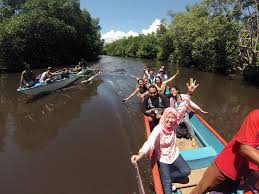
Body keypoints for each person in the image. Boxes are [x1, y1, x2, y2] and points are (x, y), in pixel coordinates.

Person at [131, 78, 199, 194]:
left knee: (186, 171)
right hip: (162, 158)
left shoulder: (174, 124)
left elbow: (182, 108)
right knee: (167, 189)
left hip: (174, 154)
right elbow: (150, 141)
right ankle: (166, 179)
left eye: (173, 117)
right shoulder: (158, 128)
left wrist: (189, 93)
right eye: (168, 117)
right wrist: (140, 154)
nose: (170, 120)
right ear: (164, 117)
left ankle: (167, 177)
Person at [190, 109, 259, 194]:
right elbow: (245, 149)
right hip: (224, 166)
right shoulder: (256, 116)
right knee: (200, 190)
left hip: (242, 175)